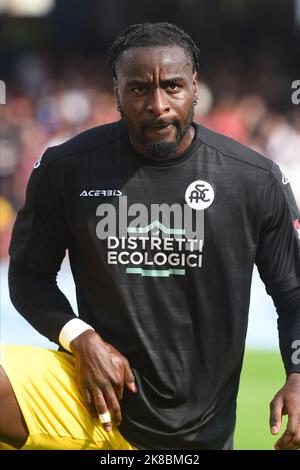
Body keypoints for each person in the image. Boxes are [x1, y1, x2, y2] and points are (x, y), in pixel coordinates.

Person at [1, 22, 300, 451]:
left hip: (195, 437)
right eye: (139, 89)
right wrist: (79, 338)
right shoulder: (67, 168)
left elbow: (294, 293)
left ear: (195, 88)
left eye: (173, 86)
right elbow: (28, 276)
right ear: (117, 94)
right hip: (90, 399)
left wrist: (298, 375)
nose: (157, 104)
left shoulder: (252, 179)